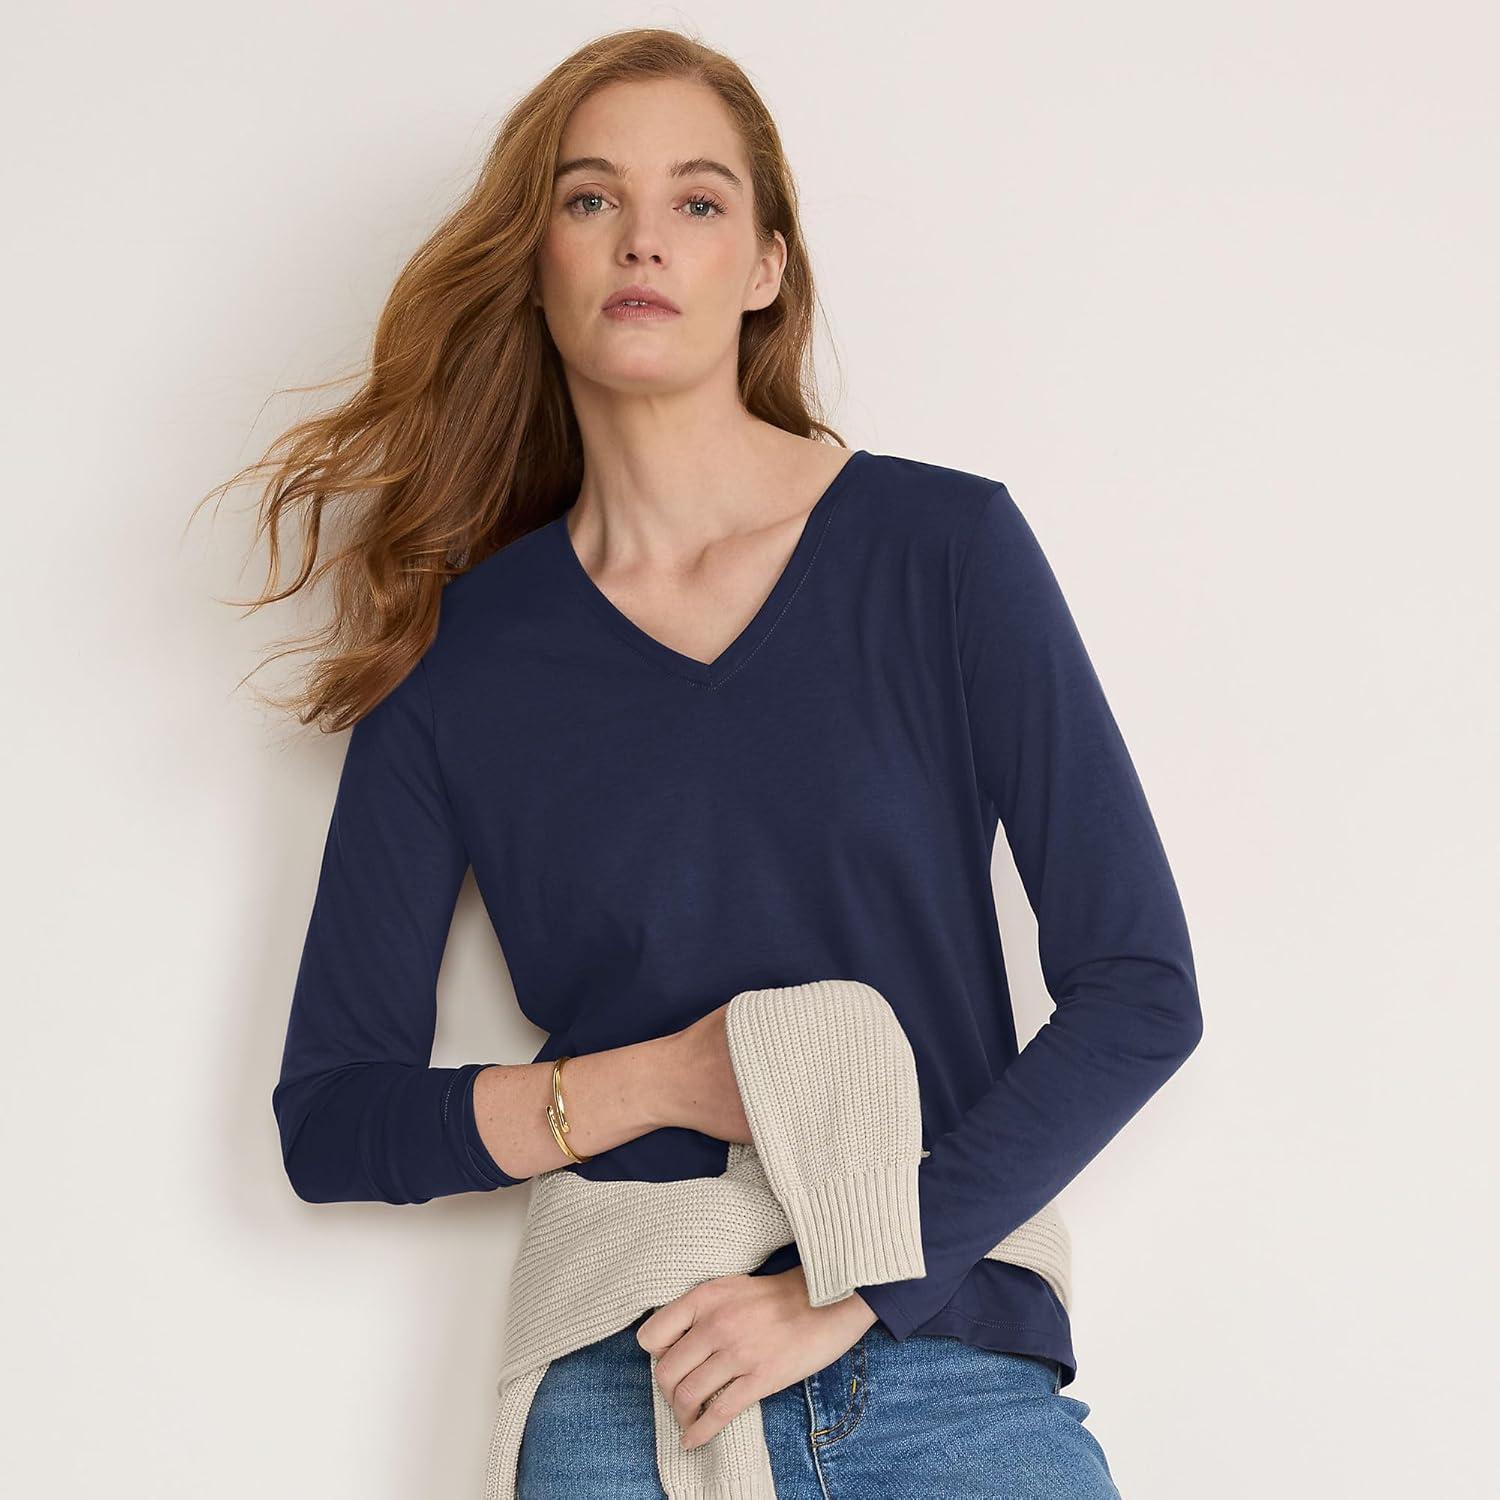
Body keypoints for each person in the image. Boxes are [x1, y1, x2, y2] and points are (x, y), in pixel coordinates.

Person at [247, 26, 1201, 1498]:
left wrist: (856, 1282)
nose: (643, 238)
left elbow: (1140, 989)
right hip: (632, 1386)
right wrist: (664, 1081)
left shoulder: (943, 552)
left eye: (696, 200)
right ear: (538, 260)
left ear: (764, 265)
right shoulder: (460, 658)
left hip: (942, 1361)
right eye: (590, 199)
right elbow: (333, 1120)